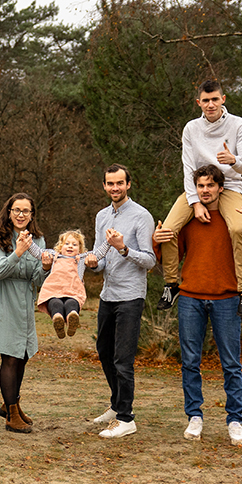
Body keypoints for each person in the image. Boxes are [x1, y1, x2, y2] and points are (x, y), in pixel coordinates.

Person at [153, 165, 242, 446]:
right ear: (195, 189)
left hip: (227, 298)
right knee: (190, 362)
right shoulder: (189, 218)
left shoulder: (236, 218)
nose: (205, 190)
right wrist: (157, 241)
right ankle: (194, 416)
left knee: (231, 364)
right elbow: (171, 250)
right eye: (200, 186)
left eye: (210, 185)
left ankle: (235, 421)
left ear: (221, 187)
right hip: (191, 298)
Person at [157, 80, 242, 317]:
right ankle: (171, 285)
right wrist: (194, 202)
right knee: (169, 228)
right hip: (198, 186)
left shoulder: (238, 125)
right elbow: (187, 166)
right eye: (206, 100)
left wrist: (233, 160)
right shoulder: (191, 128)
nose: (210, 104)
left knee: (236, 229)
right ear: (198, 102)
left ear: (223, 99)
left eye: (215, 99)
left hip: (230, 185)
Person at [84, 164, 156, 439]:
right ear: (104, 186)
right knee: (104, 352)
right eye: (110, 184)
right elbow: (99, 261)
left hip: (130, 296)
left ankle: (127, 418)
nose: (115, 188)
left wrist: (124, 249)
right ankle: (116, 406)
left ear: (129, 184)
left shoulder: (141, 216)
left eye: (120, 183)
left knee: (122, 360)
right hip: (107, 295)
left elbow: (150, 261)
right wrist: (93, 262)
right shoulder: (102, 216)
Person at [0, 194, 46, 434]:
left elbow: (38, 278)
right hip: (2, 298)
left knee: (24, 353)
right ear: (9, 212)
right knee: (10, 355)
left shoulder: (38, 239)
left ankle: (12, 403)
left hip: (25, 300)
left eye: (25, 211)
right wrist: (18, 251)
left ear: (31, 215)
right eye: (16, 210)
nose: (20, 215)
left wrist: (46, 267)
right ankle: (11, 414)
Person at [24, 229, 107, 339]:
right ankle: (57, 319)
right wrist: (27, 241)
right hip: (54, 291)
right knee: (55, 303)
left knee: (71, 304)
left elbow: (98, 253)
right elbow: (38, 252)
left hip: (73, 292)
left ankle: (72, 317)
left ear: (80, 249)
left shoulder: (81, 259)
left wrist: (109, 242)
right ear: (60, 247)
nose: (70, 246)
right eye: (66, 244)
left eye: (74, 244)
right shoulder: (54, 256)